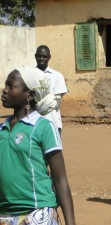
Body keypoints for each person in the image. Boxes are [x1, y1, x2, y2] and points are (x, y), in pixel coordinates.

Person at [0, 67, 76, 225]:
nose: (4, 90)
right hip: (5, 214)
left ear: (30, 94)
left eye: (11, 86)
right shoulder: (2, 129)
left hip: (37, 213)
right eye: (5, 85)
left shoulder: (43, 127)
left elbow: (60, 180)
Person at [35, 45, 68, 134]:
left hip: (52, 122)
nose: (41, 59)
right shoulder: (30, 75)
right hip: (33, 123)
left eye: (44, 56)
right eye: (39, 56)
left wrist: (35, 103)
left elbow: (55, 102)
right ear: (35, 56)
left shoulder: (57, 76)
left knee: (53, 148)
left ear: (49, 57)